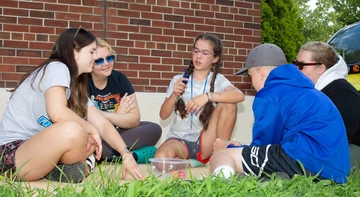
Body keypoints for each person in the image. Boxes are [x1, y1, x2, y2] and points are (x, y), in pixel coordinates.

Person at [0, 27, 143, 183]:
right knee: (74, 130)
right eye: (92, 52)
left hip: (38, 154)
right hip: (13, 155)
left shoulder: (75, 84)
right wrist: (91, 129)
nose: (95, 57)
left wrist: (126, 154)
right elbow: (57, 113)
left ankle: (57, 170)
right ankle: (82, 165)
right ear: (75, 51)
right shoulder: (57, 67)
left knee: (93, 137)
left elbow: (102, 124)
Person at [210, 43, 350, 184]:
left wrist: (230, 148)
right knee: (246, 157)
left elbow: (263, 144)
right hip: (334, 172)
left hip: (304, 158)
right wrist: (243, 150)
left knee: (223, 154)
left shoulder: (269, 94)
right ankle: (275, 179)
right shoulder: (308, 91)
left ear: (260, 72)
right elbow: (270, 149)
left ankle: (223, 184)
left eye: (250, 76)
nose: (251, 83)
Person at [154, 33, 245, 167]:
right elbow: (163, 115)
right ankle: (192, 164)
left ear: (215, 58)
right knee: (160, 160)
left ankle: (222, 154)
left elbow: (239, 95)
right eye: (196, 51)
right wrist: (174, 94)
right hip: (180, 140)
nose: (198, 56)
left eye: (205, 53)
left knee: (229, 103)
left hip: (206, 142)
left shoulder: (218, 80)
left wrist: (207, 97)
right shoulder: (179, 79)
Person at [88, 38, 162, 163]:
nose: (106, 63)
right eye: (99, 60)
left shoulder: (120, 79)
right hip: (95, 137)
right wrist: (119, 116)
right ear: (90, 63)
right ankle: (132, 155)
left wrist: (105, 115)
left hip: (116, 133)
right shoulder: (82, 83)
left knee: (154, 128)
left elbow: (134, 119)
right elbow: (85, 121)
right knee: (91, 140)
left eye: (109, 58)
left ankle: (110, 156)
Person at [295, 41, 360, 167]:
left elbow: (341, 137)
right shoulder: (315, 91)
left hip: (351, 148)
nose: (296, 70)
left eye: (301, 65)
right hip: (329, 146)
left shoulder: (341, 92)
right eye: (295, 64)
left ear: (321, 68)